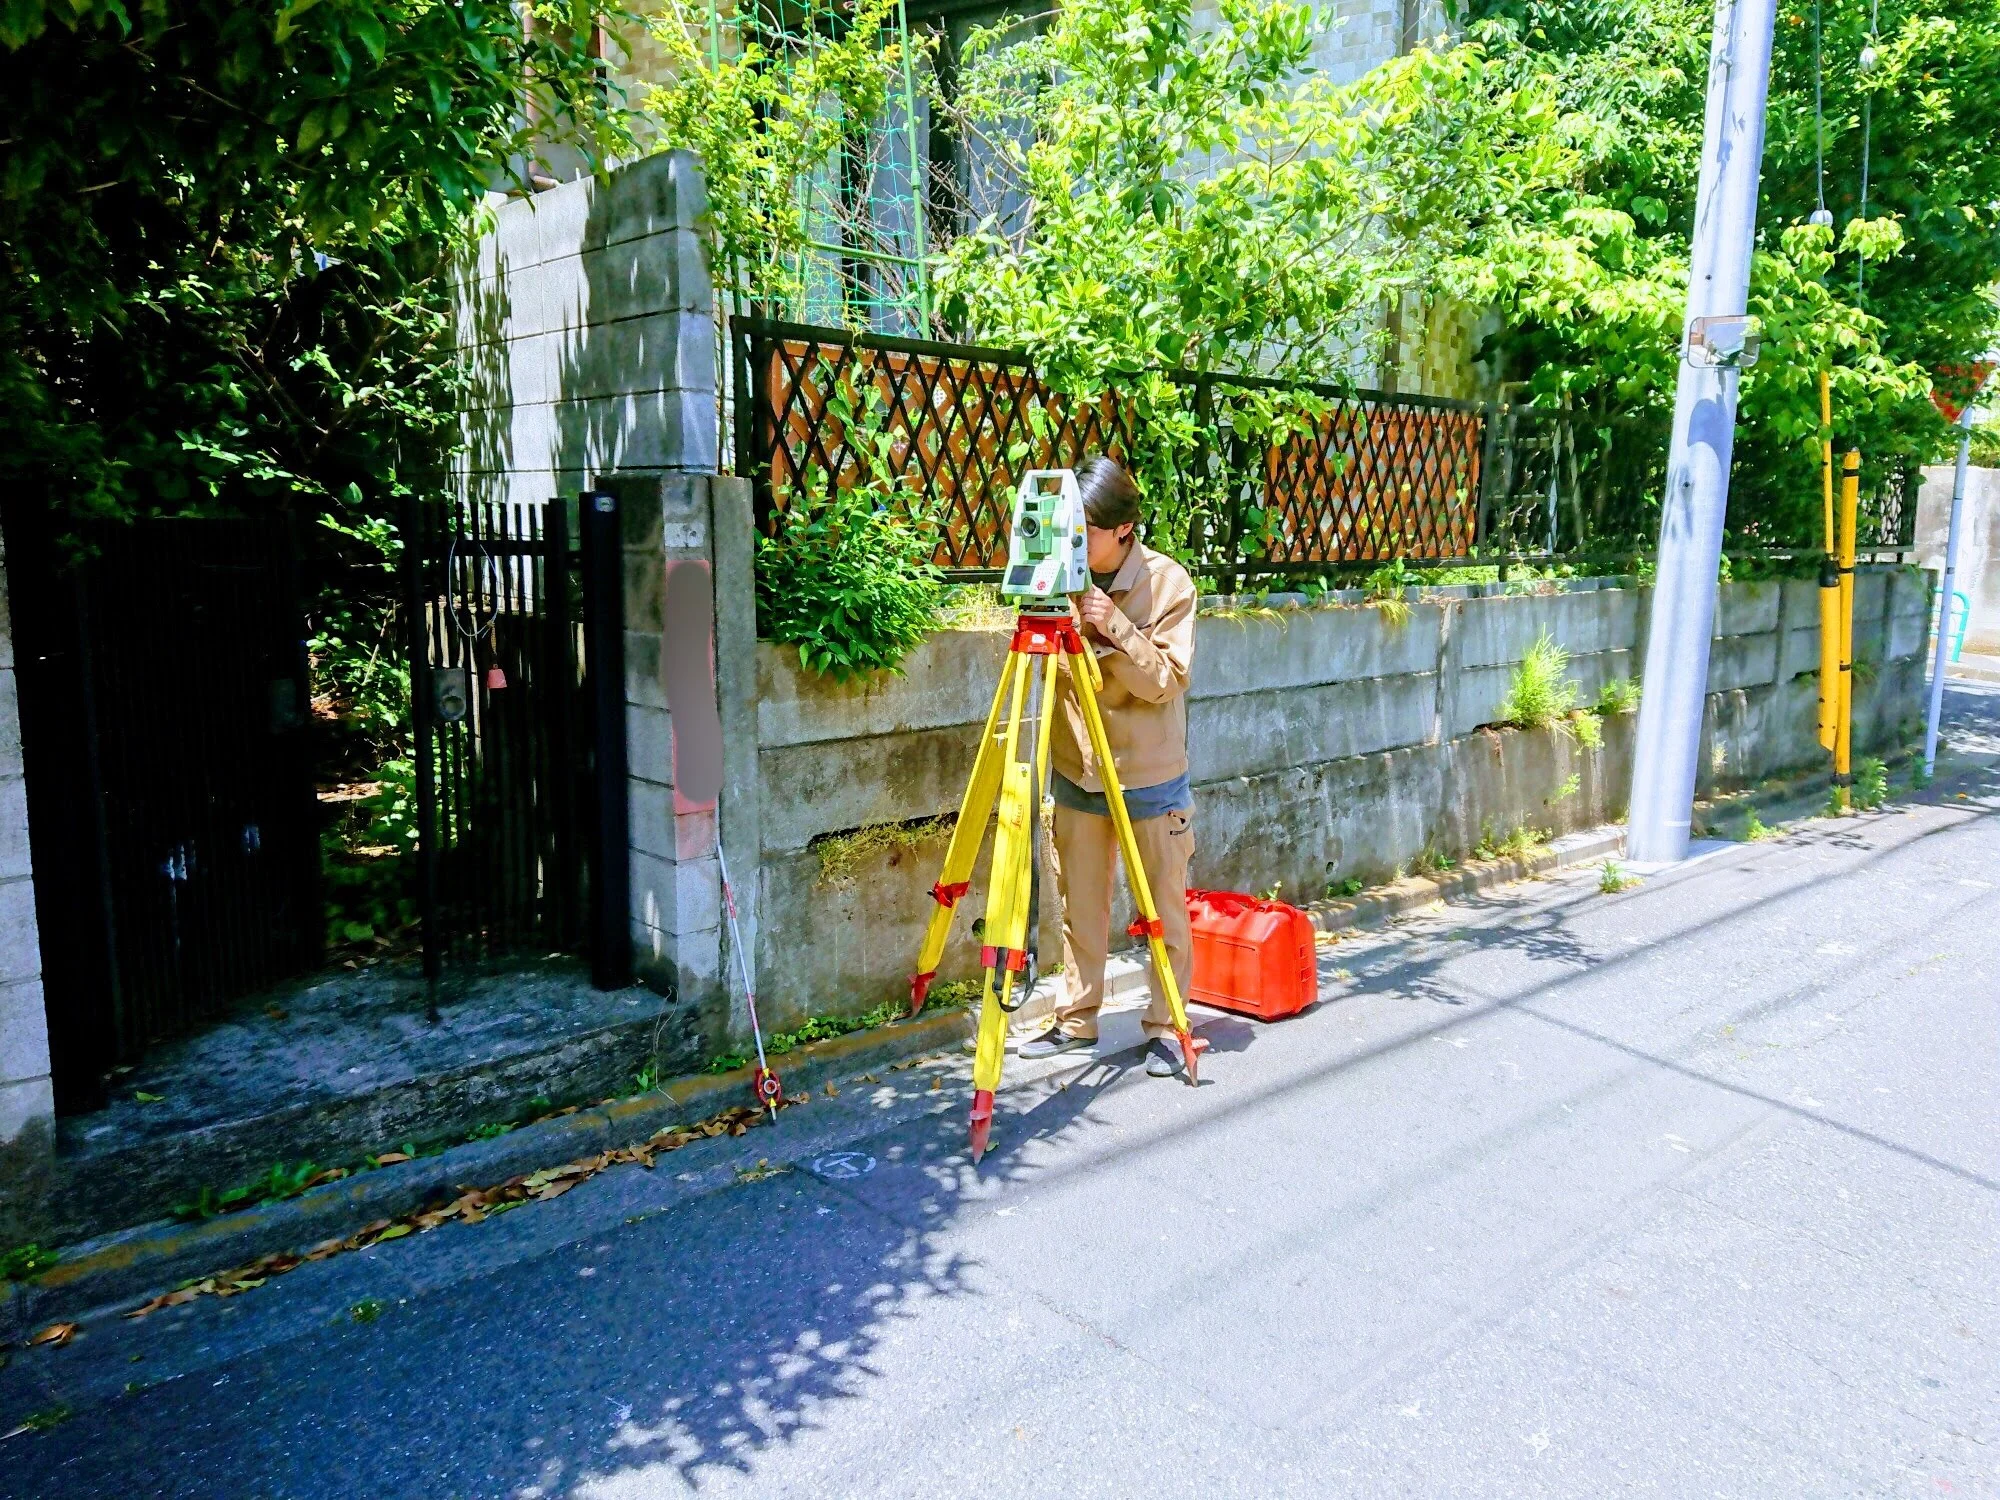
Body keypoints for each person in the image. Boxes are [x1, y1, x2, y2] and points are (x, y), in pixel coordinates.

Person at [1017, 456, 1198, 1078]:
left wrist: (1112, 625)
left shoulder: (1167, 583)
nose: (1072, 541)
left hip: (1148, 774)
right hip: (1078, 766)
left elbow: (1167, 681)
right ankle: (1075, 1020)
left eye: (1084, 529)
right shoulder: (1058, 575)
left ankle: (1168, 1024)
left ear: (1122, 529)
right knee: (1079, 905)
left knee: (1163, 911)